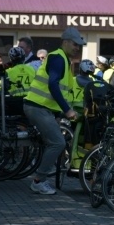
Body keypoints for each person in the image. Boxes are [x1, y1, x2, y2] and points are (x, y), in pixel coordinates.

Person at [23, 27, 86, 195]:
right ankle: (38, 181)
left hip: (42, 107)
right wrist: (67, 110)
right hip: (37, 107)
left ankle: (40, 176)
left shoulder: (64, 59)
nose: (77, 48)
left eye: (79, 45)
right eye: (74, 44)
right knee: (58, 143)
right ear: (65, 42)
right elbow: (52, 85)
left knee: (52, 142)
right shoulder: (58, 58)